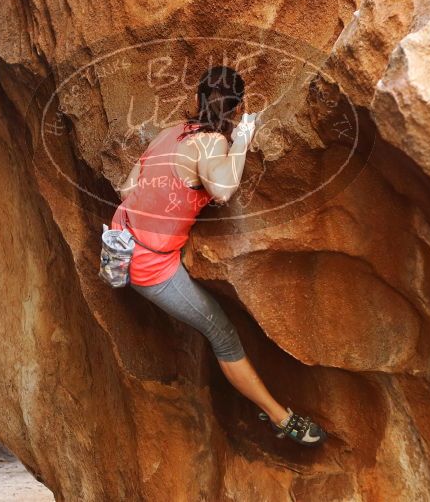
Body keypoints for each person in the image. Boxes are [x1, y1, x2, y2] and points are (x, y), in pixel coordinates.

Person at [110, 66, 327, 447]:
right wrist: (242, 138)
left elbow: (127, 187)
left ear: (198, 99)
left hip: (121, 239)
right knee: (222, 333)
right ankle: (281, 417)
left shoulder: (169, 132)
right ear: (237, 108)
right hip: (150, 266)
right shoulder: (212, 142)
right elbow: (224, 190)